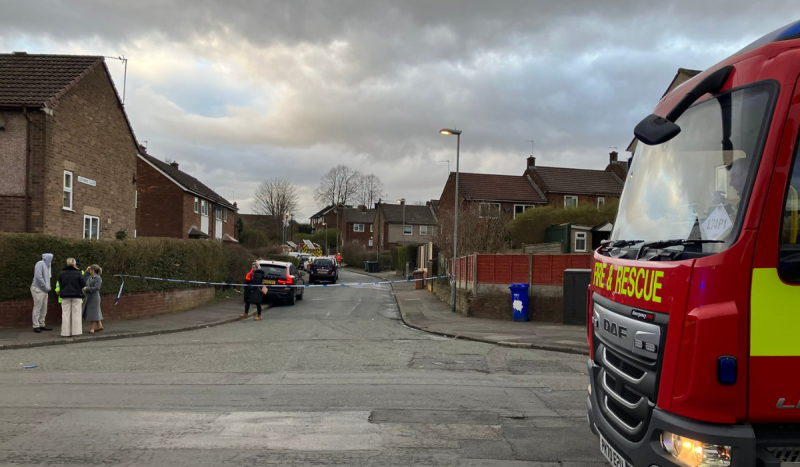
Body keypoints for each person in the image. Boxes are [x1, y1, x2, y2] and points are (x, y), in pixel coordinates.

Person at [57, 258, 86, 337]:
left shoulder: (61, 273)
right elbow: (83, 284)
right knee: (76, 314)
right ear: (74, 264)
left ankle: (65, 332)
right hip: (76, 295)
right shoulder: (78, 273)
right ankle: (76, 332)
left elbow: (59, 283)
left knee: (65, 314)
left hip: (65, 295)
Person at [30, 253, 54, 333]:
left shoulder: (47, 266)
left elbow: (48, 278)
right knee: (37, 307)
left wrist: (46, 288)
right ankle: (36, 325)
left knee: (44, 308)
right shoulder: (40, 264)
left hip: (44, 290)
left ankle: (41, 324)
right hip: (38, 289)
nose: (52, 260)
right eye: (51, 258)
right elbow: (38, 277)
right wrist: (45, 287)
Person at [82, 264, 104, 333]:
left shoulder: (98, 278)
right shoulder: (90, 276)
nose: (90, 271)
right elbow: (84, 278)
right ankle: (100, 325)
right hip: (89, 297)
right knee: (95, 312)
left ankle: (92, 328)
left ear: (93, 270)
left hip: (94, 297)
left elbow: (97, 288)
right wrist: (86, 271)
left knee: (94, 313)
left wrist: (87, 288)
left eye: (90, 270)